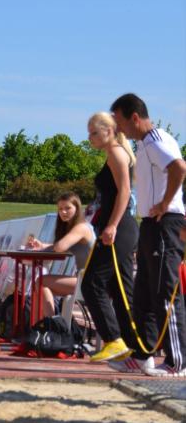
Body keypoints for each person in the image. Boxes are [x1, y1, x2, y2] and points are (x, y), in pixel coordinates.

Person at [111, 93, 186, 376]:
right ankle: (143, 354)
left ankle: (178, 361)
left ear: (135, 117)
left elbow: (179, 167)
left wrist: (165, 203)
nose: (118, 128)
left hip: (166, 222)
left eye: (119, 121)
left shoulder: (156, 140)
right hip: (150, 224)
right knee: (143, 292)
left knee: (165, 292)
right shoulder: (143, 144)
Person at [80, 112, 141, 363]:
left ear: (109, 131)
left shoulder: (116, 153)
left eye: (94, 132)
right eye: (89, 133)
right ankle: (135, 348)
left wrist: (112, 225)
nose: (90, 138)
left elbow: (125, 191)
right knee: (121, 291)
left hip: (118, 228)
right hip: (119, 228)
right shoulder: (115, 153)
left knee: (91, 283)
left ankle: (113, 340)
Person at [26, 191, 95, 317]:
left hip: (91, 281)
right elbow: (61, 247)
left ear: (77, 208)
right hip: (84, 279)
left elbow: (60, 247)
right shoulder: (76, 228)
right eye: (60, 209)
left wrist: (49, 247)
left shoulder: (81, 227)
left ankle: (49, 324)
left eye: (67, 208)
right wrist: (41, 246)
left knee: (41, 281)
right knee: (40, 285)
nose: (63, 212)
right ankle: (41, 324)